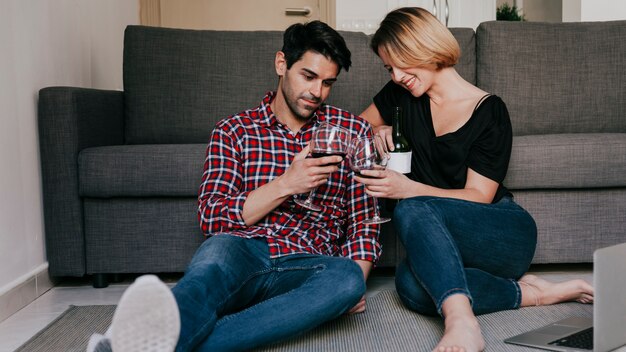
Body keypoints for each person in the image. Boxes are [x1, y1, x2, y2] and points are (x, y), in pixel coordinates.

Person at [87, 20, 381, 352]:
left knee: (347, 279)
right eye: (308, 77)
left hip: (308, 261)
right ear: (281, 64)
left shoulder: (352, 130)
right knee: (210, 268)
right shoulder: (234, 130)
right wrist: (286, 183)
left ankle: (141, 346)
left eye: (328, 83)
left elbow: (364, 222)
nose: (317, 92)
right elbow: (212, 216)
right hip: (242, 251)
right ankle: (142, 342)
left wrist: (352, 287)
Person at [357, 7, 594, 352]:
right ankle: (534, 293)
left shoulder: (490, 111)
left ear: (424, 47)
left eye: (400, 63)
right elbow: (350, 129)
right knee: (409, 283)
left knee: (411, 207)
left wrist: (408, 189)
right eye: (389, 68)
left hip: (500, 232)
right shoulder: (400, 97)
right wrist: (377, 127)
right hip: (442, 238)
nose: (396, 76)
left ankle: (460, 322)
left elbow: (479, 196)